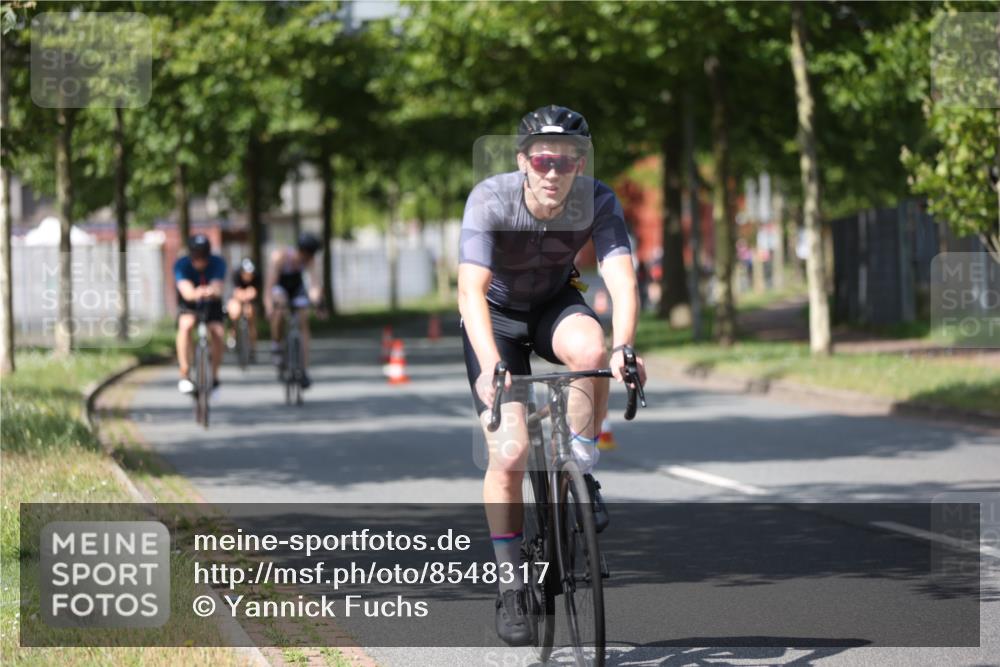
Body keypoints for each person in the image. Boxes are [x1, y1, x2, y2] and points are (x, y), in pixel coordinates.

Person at [457, 104, 647, 646]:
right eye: (543, 159)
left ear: (581, 166)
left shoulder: (599, 200)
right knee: (510, 453)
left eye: (569, 161)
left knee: (592, 347)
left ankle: (580, 468)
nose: (554, 171)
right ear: (523, 161)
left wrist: (625, 348)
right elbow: (470, 291)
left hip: (552, 307)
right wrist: (492, 362)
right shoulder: (491, 199)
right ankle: (512, 582)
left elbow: (622, 280)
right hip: (493, 320)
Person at [264, 232, 322, 389]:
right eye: (308, 255)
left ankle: (303, 369)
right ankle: (276, 343)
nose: (309, 259)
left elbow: (314, 284)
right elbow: (270, 286)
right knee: (279, 309)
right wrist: (269, 306)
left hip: (296, 287)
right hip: (280, 286)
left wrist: (317, 302)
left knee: (303, 320)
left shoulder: (310, 260)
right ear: (302, 251)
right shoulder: (281, 256)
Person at [174, 234, 226, 394]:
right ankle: (185, 373)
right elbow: (186, 291)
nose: (200, 260)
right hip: (190, 304)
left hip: (212, 304)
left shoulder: (218, 262)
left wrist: (211, 291)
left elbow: (218, 287)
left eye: (203, 256)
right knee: (186, 325)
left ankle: (215, 376)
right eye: (196, 256)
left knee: (218, 332)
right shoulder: (181, 265)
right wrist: (197, 292)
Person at [226, 257, 261, 359]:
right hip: (236, 298)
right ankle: (233, 333)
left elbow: (255, 292)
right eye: (246, 273)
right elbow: (234, 292)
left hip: (250, 300)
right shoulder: (235, 275)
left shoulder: (257, 277)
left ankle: (252, 348)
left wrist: (249, 294)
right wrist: (244, 294)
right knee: (235, 311)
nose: (248, 276)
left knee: (250, 314)